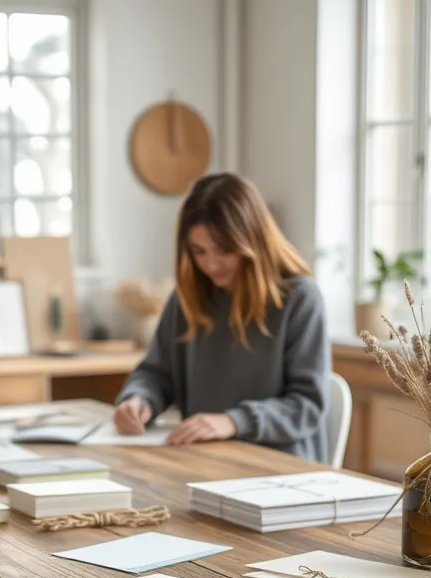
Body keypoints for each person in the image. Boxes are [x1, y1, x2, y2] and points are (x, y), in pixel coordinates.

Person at [113, 172, 331, 463]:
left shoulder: (300, 298)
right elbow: (156, 373)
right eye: (199, 251)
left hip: (281, 468)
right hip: (206, 462)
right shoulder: (187, 298)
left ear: (252, 240)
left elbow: (307, 405)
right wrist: (139, 400)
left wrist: (234, 421)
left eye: (224, 250)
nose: (211, 264)